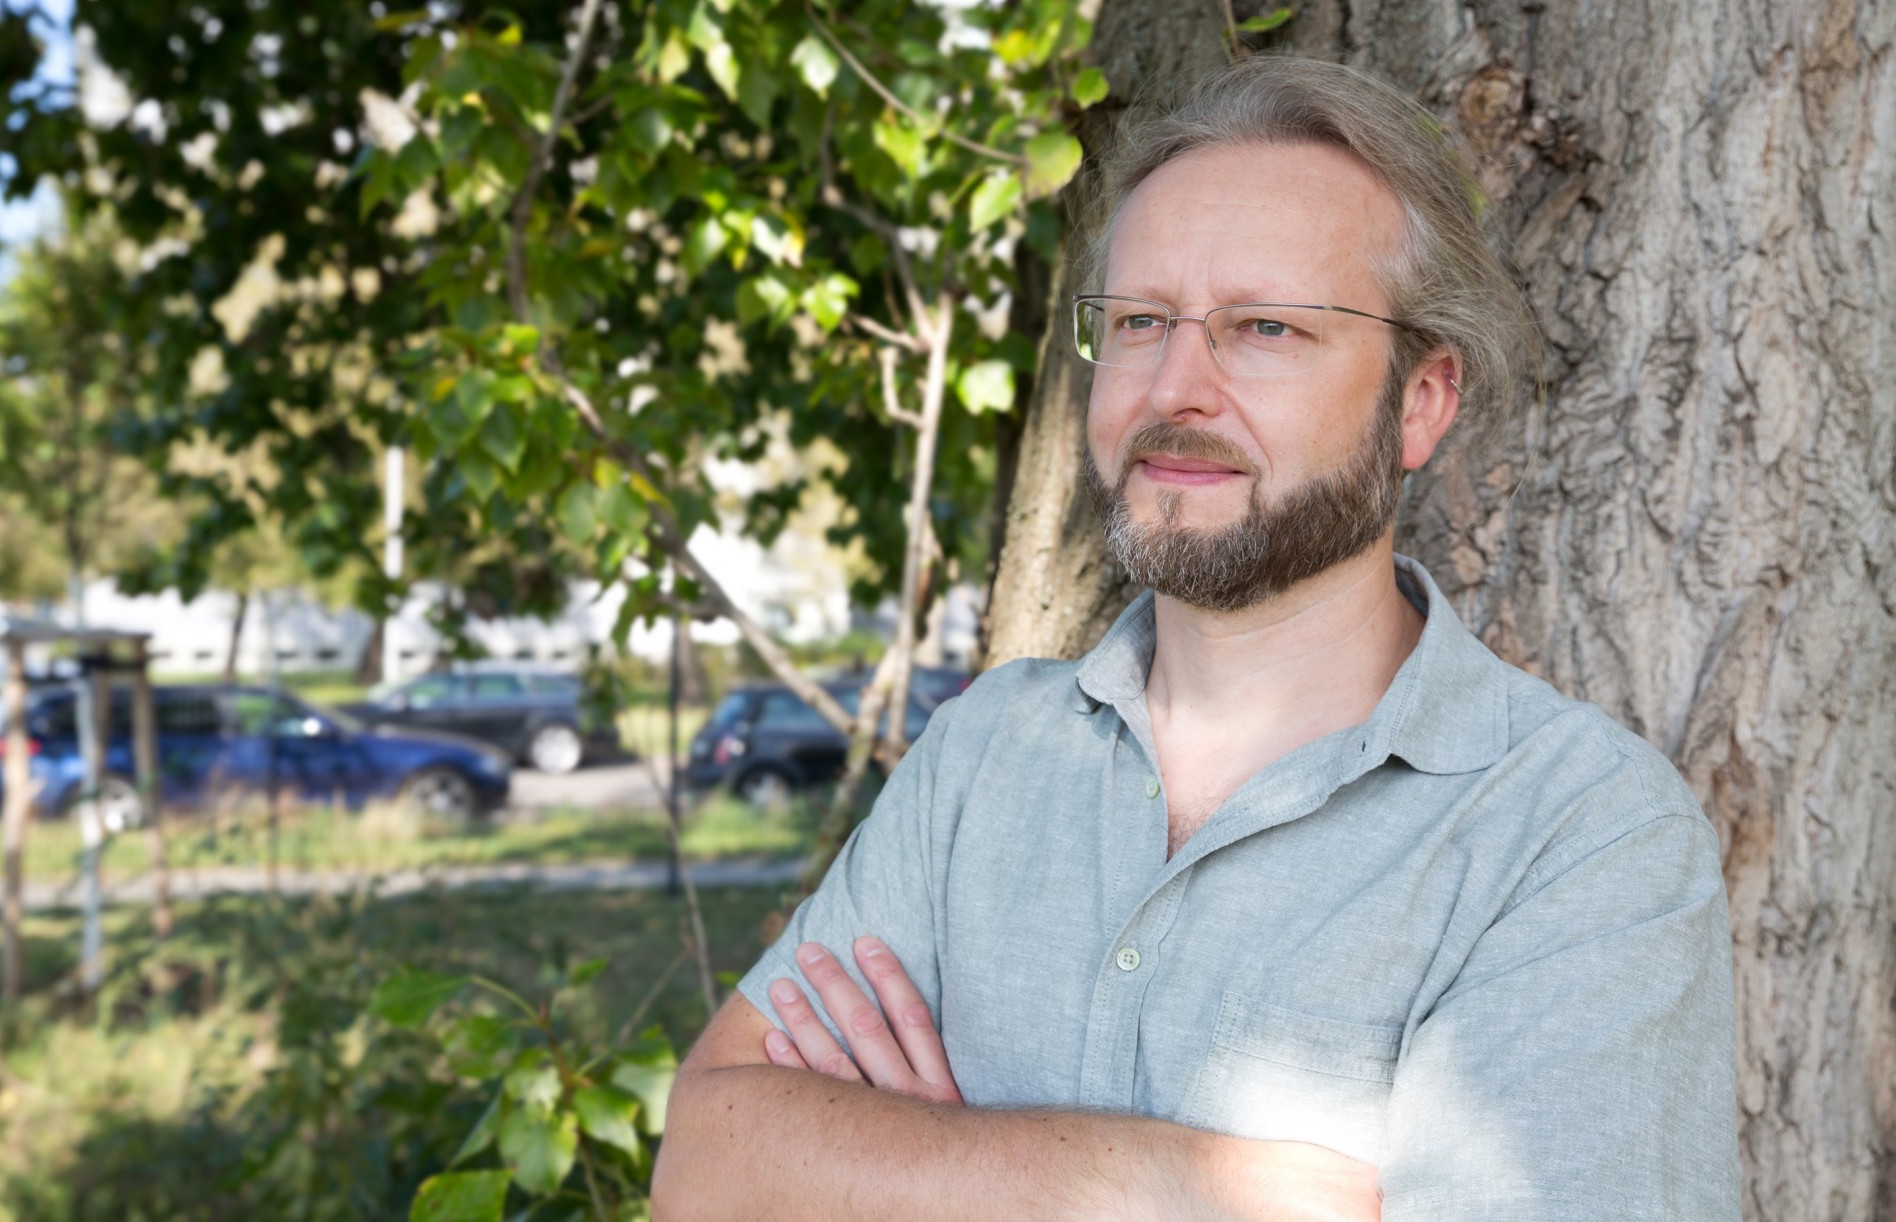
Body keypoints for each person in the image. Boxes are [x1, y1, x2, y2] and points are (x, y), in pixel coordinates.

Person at [654, 56, 1740, 1220]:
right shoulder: (983, 757)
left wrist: (924, 1162)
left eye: (1264, 327)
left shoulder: (1574, 835)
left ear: (1420, 400)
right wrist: (1194, 1183)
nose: (1177, 387)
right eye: (1138, 322)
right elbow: (711, 1160)